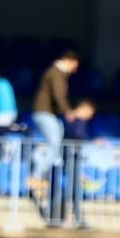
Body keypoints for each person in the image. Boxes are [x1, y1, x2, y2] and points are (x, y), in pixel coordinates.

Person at [31, 51, 77, 187]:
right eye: (74, 65)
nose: (75, 69)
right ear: (68, 60)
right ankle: (36, 176)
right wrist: (68, 111)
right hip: (44, 113)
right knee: (55, 144)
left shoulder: (56, 73)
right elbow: (59, 95)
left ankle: (44, 175)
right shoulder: (56, 73)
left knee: (57, 139)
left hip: (49, 113)